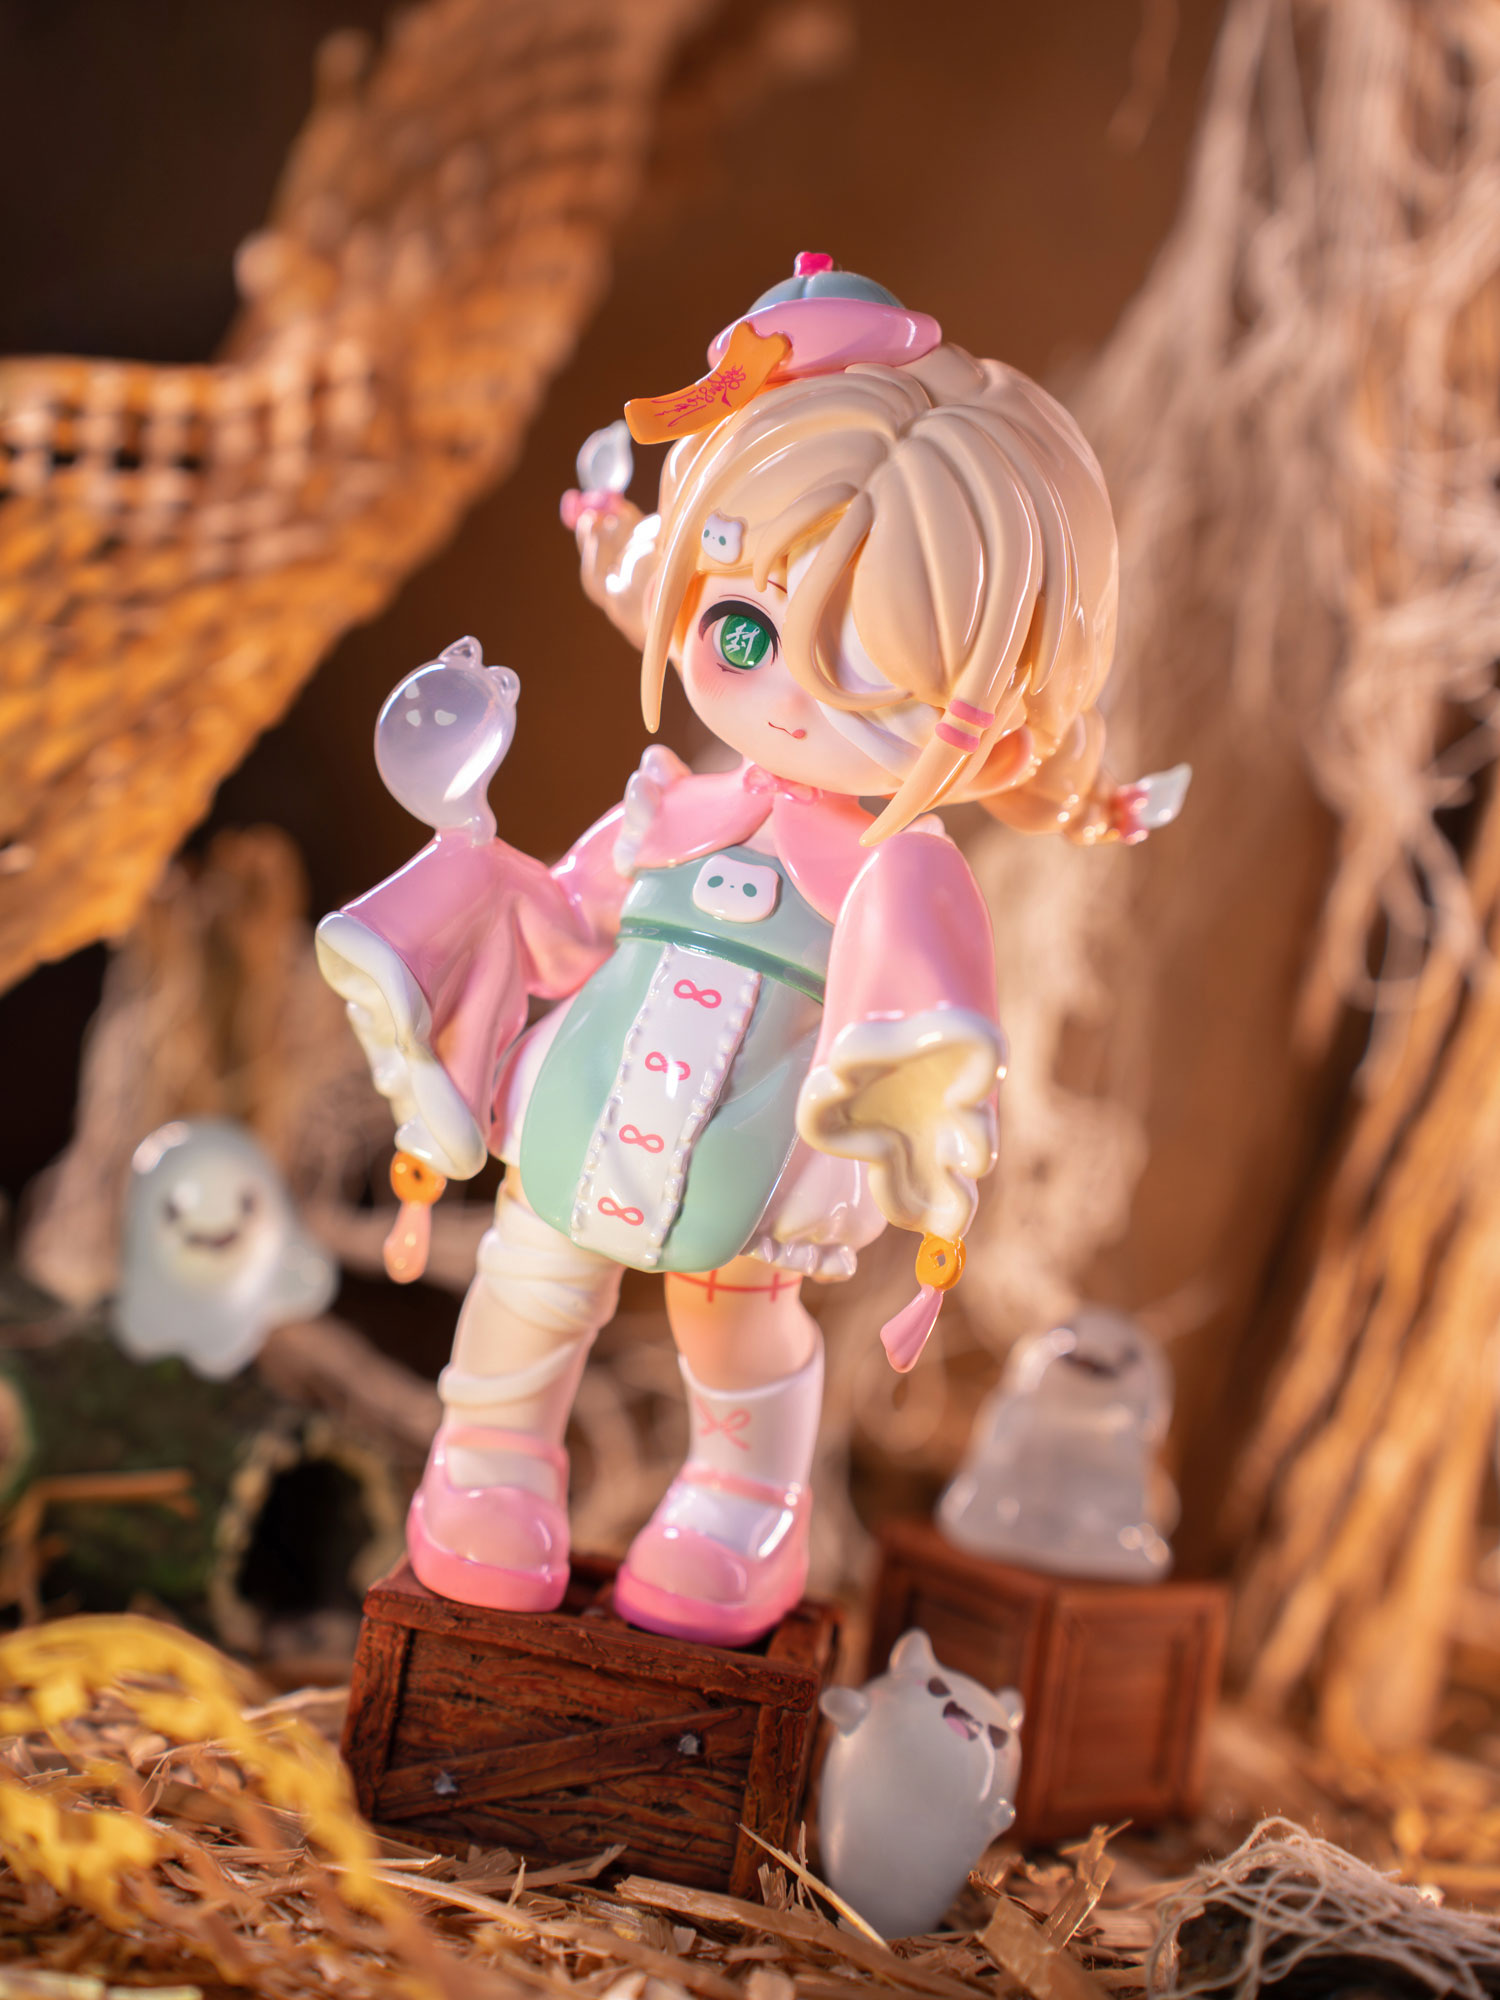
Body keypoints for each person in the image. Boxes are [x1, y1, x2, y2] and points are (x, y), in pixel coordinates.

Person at [317, 254, 1187, 1647]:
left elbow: (918, 1018)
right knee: (535, 1278)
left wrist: (905, 1098)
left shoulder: (893, 880)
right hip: (585, 1102)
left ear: (999, 734)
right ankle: (489, 1464)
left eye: (876, 678)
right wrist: (487, 882)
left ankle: (741, 1501)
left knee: (732, 1319)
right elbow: (571, 919)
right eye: (747, 630)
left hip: (754, 1138)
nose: (787, 700)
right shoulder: (674, 807)